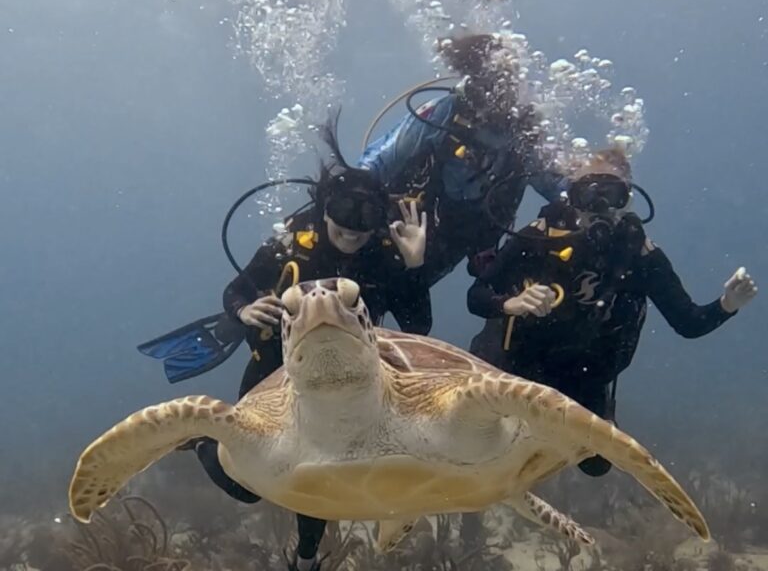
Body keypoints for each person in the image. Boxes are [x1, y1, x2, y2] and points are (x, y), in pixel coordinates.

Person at [187, 113, 432, 571]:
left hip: (352, 379)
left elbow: (419, 328)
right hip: (274, 370)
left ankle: (305, 558)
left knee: (322, 467)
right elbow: (237, 288)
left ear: (381, 219)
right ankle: (206, 441)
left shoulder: (383, 259)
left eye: (367, 218)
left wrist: (414, 267)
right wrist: (242, 311)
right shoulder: (291, 244)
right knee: (246, 484)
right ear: (324, 206)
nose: (354, 228)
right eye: (343, 213)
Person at [467, 147, 758, 477]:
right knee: (478, 443)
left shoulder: (639, 256)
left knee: (596, 463)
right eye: (589, 193)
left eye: (612, 194)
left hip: (585, 374)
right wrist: (509, 304)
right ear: (571, 196)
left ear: (628, 198)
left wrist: (726, 305)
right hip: (515, 362)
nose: (601, 206)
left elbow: (688, 322)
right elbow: (476, 295)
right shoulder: (537, 237)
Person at [358, 32, 565, 288]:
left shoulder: (526, 137)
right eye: (486, 87)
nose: (493, 103)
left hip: (469, 238)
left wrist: (595, 202)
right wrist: (352, 194)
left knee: (413, 290)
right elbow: (380, 160)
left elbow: (562, 191)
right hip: (414, 224)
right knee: (376, 277)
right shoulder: (445, 112)